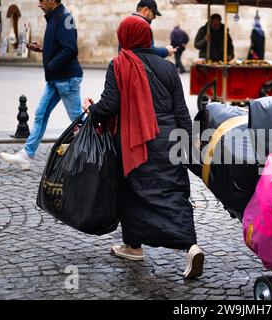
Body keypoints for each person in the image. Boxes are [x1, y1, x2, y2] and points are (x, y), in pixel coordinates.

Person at [82, 16, 204, 279]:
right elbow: (182, 113)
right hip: (169, 140)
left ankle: (134, 245)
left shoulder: (119, 64)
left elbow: (110, 105)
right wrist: (186, 146)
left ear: (125, 37)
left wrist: (92, 111)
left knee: (133, 192)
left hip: (136, 142)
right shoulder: (167, 67)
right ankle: (190, 247)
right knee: (173, 192)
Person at [0, 0, 82, 170]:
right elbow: (61, 47)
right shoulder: (54, 18)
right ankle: (27, 155)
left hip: (66, 79)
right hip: (55, 79)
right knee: (40, 114)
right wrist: (43, 49)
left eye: (42, 0)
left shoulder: (65, 18)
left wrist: (51, 65)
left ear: (53, 0)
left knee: (78, 119)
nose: (39, 4)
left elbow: (70, 49)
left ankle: (101, 146)